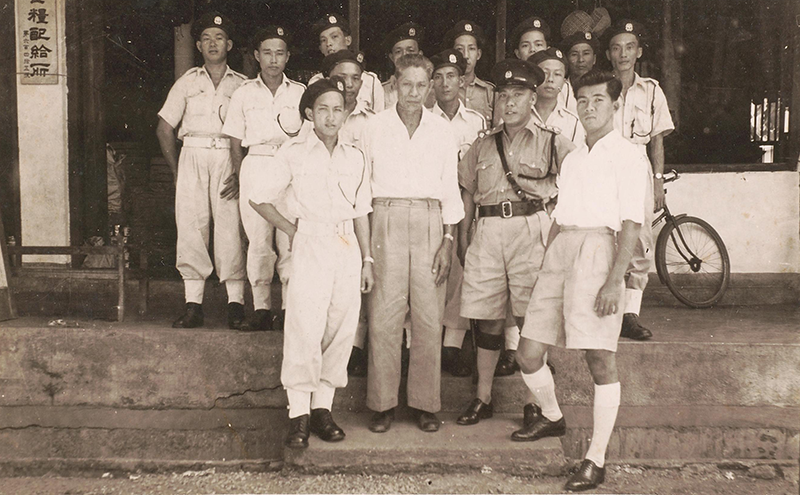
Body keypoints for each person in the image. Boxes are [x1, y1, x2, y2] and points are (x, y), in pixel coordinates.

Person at [513, 69, 649, 492]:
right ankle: (553, 417)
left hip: (599, 252)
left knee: (599, 359)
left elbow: (630, 225)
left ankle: (597, 459)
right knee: (527, 353)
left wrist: (616, 282)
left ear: (615, 105)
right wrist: (544, 266)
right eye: (584, 101)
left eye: (599, 101)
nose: (590, 109)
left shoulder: (629, 156)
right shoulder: (572, 157)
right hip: (561, 251)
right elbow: (558, 218)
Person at [249, 78, 374, 449]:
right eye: (323, 109)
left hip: (346, 245)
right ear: (309, 114)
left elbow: (362, 212)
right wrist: (291, 229)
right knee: (305, 325)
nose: (331, 116)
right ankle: (298, 414)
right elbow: (259, 197)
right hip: (310, 242)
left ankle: (323, 409)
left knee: (340, 326)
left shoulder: (356, 155)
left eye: (338, 109)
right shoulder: (293, 152)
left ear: (346, 113)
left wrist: (367, 259)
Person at [456, 58, 574, 427]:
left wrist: (556, 232)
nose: (508, 103)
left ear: (532, 98)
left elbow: (575, 190)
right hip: (488, 233)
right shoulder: (482, 146)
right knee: (487, 321)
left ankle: (534, 404)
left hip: (530, 230)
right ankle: (483, 397)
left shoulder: (554, 142)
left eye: (518, 95)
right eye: (503, 95)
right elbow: (466, 193)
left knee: (531, 321)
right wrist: (463, 238)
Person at [365, 53, 464, 433]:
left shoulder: (441, 130)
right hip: (385, 218)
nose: (414, 92)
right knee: (385, 316)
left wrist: (449, 239)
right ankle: (382, 403)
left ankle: (425, 403)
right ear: (394, 83)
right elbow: (362, 185)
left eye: (422, 85)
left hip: (429, 221)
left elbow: (449, 189)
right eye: (407, 84)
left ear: (430, 87)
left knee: (427, 315)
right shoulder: (374, 127)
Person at [156, 12, 247, 329]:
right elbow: (164, 128)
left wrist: (241, 170)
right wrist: (177, 170)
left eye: (219, 37)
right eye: (206, 38)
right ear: (197, 44)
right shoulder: (187, 82)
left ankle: (235, 304)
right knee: (191, 228)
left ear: (229, 44)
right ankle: (193, 304)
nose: (212, 43)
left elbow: (251, 134)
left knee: (230, 229)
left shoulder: (243, 86)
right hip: (192, 154)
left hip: (227, 157)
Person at [222, 25, 305, 331]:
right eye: (267, 53)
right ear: (256, 56)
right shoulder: (243, 92)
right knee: (258, 240)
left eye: (279, 53)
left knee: (288, 239)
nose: (273, 59)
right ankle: (260, 308)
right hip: (255, 163)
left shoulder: (299, 92)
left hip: (289, 167)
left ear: (287, 56)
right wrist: (237, 172)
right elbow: (234, 138)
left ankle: (286, 308)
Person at [606, 19, 675, 340]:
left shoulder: (651, 91)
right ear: (608, 53)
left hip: (638, 173)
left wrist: (658, 181)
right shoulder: (600, 88)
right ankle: (609, 311)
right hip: (605, 171)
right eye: (617, 48)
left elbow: (657, 141)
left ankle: (630, 315)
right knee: (606, 239)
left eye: (629, 47)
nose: (623, 54)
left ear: (639, 51)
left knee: (639, 243)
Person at [429, 48, 486, 377]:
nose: (445, 82)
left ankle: (452, 342)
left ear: (462, 80)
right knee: (429, 269)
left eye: (451, 75)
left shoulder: (476, 121)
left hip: (464, 201)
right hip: (431, 202)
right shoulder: (424, 118)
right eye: (438, 76)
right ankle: (421, 340)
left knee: (461, 267)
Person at [321, 49, 375, 375]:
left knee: (363, 278)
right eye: (342, 78)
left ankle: (357, 342)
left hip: (366, 208)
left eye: (356, 78)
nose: (350, 84)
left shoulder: (373, 119)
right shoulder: (320, 115)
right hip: (329, 217)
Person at [311, 14, 385, 112]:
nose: (328, 43)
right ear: (320, 49)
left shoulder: (370, 81)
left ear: (348, 40)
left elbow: (379, 120)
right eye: (323, 40)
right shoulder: (316, 82)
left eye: (334, 37)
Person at [528, 48, 585, 145]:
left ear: (564, 82)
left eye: (557, 74)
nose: (550, 79)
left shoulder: (573, 122)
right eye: (545, 73)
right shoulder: (517, 115)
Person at [443, 20, 495, 124]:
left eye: (471, 49)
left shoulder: (490, 92)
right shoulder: (442, 90)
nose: (465, 55)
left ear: (478, 54)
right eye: (459, 49)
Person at [382, 22, 425, 109]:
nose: (404, 55)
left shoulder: (430, 89)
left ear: (420, 55)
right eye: (398, 52)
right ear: (392, 57)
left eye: (410, 50)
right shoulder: (382, 91)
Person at [561, 30, 598, 114]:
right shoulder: (560, 89)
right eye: (574, 54)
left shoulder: (604, 88)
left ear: (594, 59)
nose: (581, 59)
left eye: (586, 53)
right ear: (567, 59)